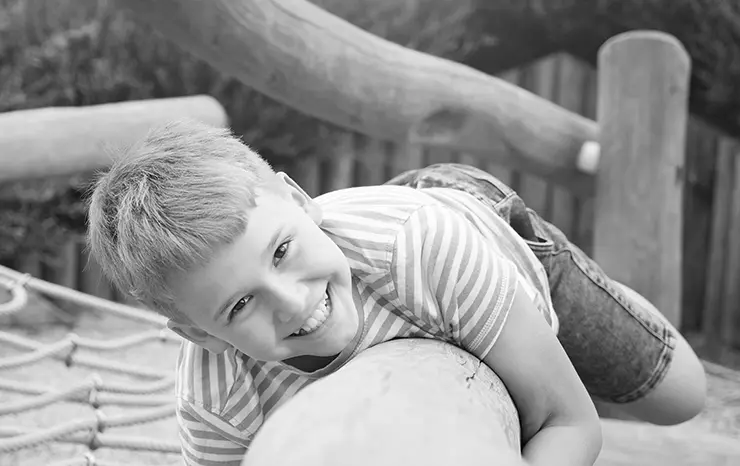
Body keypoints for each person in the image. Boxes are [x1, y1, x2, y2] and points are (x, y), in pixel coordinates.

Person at [87, 119, 706, 466]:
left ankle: (596, 288)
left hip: (480, 230)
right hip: (413, 282)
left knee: (681, 396)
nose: (296, 303)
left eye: (282, 251)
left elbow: (570, 424)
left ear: (300, 201)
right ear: (198, 333)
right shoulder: (214, 405)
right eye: (240, 306)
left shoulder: (421, 247)